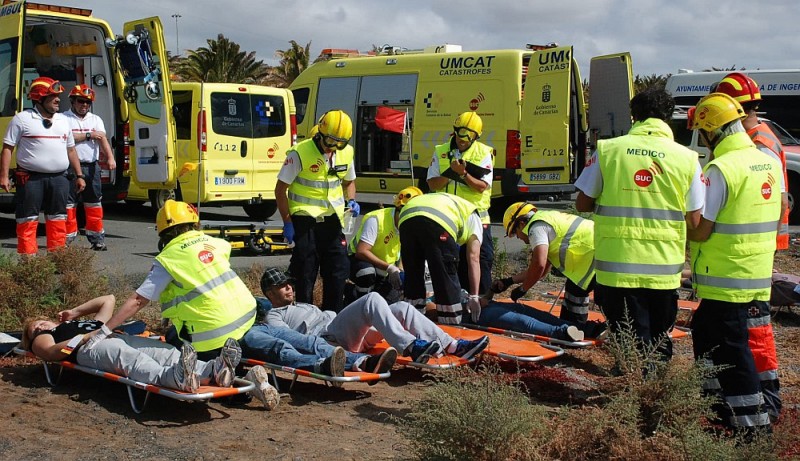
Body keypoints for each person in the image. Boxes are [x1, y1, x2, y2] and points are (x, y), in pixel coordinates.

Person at [98, 200, 388, 397]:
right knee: (296, 340)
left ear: (163, 232)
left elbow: (138, 301)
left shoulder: (168, 258)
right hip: (247, 317)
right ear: (194, 224)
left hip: (214, 336)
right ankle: (361, 361)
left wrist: (104, 330)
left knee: (278, 350)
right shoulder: (214, 243)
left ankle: (323, 366)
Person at [575, 88, 704, 364]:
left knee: (627, 335)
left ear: (634, 115)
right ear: (668, 117)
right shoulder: (688, 158)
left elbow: (582, 203)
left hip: (617, 266)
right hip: (663, 268)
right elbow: (695, 221)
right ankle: (655, 381)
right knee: (658, 337)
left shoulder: (608, 150)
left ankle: (632, 380)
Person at [687, 93, 779, 437]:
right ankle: (717, 408)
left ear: (711, 131)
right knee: (706, 331)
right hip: (755, 273)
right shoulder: (766, 161)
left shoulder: (722, 168)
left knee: (732, 350)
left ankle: (752, 428)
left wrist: (679, 218)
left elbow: (701, 230)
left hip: (726, 278)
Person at [711, 73, 784, 422]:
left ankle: (765, 401)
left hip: (749, 251)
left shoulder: (756, 145)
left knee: (752, 331)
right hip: (755, 246)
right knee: (750, 329)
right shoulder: (761, 138)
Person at [21, 295, 256, 400]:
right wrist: (82, 338)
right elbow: (51, 354)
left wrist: (75, 312)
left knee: (166, 352)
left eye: (40, 321)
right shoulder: (47, 336)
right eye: (34, 328)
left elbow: (108, 299)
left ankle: (212, 371)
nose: (39, 326)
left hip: (111, 336)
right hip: (87, 350)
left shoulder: (77, 323)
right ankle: (175, 379)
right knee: (131, 359)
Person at [261, 267, 489, 366]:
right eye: (282, 286)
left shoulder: (301, 305)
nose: (289, 287)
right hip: (328, 340)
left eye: (289, 284)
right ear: (270, 294)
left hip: (348, 335)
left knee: (402, 308)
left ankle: (452, 346)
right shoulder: (274, 316)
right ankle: (411, 346)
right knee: (372, 299)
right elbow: (290, 341)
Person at [275, 110, 360, 312]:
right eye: (330, 141)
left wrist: (352, 200)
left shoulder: (347, 153)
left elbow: (349, 182)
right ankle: (305, 316)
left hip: (333, 220)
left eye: (340, 143)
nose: (333, 147)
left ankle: (333, 315)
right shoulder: (299, 153)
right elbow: (280, 190)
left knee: (338, 270)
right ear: (320, 133)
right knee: (305, 271)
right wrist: (287, 222)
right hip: (305, 220)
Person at [0, 77, 86, 255]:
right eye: (53, 96)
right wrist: (3, 176)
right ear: (39, 98)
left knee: (58, 218)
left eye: (58, 96)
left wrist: (79, 175)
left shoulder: (63, 121)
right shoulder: (22, 119)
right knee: (27, 219)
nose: (58, 100)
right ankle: (29, 260)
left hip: (60, 178)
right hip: (31, 179)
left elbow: (71, 150)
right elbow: (7, 148)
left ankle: (57, 256)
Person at [496, 202, 598, 328]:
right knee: (574, 292)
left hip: (595, 258)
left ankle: (593, 329)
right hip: (592, 256)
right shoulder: (545, 219)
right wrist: (509, 281)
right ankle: (575, 327)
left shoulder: (535, 228)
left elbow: (539, 264)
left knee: (606, 299)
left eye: (514, 232)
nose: (518, 237)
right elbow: (542, 269)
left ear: (521, 224)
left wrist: (523, 289)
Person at [426, 112, 495, 295]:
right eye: (459, 136)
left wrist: (463, 174)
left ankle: (481, 301)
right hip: (448, 219)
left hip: (477, 219)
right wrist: (451, 173)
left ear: (476, 136)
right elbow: (432, 184)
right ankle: (454, 302)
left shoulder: (484, 152)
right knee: (448, 263)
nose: (462, 141)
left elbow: (482, 187)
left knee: (481, 261)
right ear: (455, 131)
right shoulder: (440, 151)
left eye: (467, 138)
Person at [398, 192, 483, 325]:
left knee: (413, 276)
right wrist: (474, 296)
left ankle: (412, 324)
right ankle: (450, 326)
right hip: (437, 220)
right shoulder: (474, 217)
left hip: (406, 216)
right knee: (446, 278)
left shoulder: (450, 204)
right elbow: (474, 258)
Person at [346, 186, 422, 302]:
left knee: (390, 301)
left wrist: (399, 270)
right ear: (399, 209)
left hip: (383, 266)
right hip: (358, 260)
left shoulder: (410, 226)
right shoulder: (376, 219)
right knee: (366, 273)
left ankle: (374, 293)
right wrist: (389, 268)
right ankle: (356, 299)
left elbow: (406, 250)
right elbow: (361, 251)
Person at [64, 84, 115, 251]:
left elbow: (102, 139)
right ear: (73, 101)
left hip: (92, 167)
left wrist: (110, 158)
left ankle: (97, 239)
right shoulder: (63, 118)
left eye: (88, 102)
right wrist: (89, 135)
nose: (84, 105)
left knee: (94, 204)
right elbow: (67, 138)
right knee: (69, 205)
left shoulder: (95, 119)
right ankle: (66, 240)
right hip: (69, 168)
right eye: (81, 101)